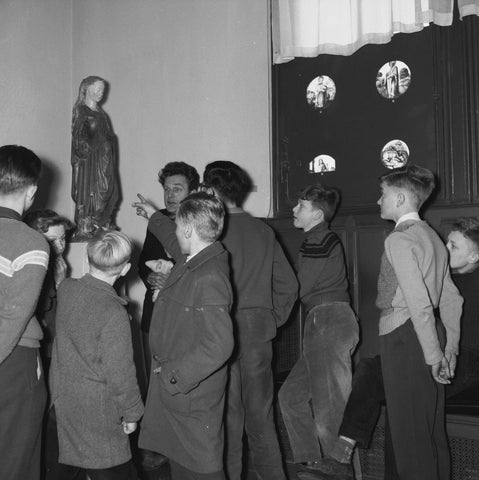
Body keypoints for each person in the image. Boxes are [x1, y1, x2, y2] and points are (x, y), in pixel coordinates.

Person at [133, 162, 298, 480]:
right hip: (258, 336)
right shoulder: (265, 231)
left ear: (210, 190)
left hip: (219, 337)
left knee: (228, 421)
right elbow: (289, 286)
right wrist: (268, 321)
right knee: (262, 419)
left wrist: (154, 213)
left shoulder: (214, 231)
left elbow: (177, 245)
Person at [305, 165, 463, 480]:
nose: (378, 202)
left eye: (383, 195)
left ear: (401, 198)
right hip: (431, 334)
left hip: (405, 337)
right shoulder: (433, 236)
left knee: (408, 436)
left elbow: (417, 301)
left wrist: (434, 356)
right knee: (429, 432)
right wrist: (450, 350)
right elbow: (451, 299)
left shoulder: (399, 240)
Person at [138, 193, 234, 480]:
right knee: (181, 466)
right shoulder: (194, 258)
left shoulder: (209, 276)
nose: (177, 233)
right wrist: (154, 214)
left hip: (190, 396)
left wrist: (173, 376)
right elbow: (171, 239)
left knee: (201, 470)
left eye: (180, 228)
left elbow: (219, 344)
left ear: (189, 230)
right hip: (179, 395)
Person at [278, 185, 359, 478]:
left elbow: (301, 285)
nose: (294, 210)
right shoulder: (317, 238)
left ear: (317, 213)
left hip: (328, 320)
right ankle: (313, 461)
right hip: (322, 321)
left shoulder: (320, 238)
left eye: (300, 205)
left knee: (330, 405)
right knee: (291, 397)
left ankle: (340, 468)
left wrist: (270, 309)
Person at [49, 230, 144, 480]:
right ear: (125, 270)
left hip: (64, 401)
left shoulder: (67, 290)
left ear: (88, 259)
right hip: (97, 411)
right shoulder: (113, 312)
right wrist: (132, 413)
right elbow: (121, 372)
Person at [0, 145, 50, 480]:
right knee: (16, 460)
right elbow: (14, 316)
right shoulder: (31, 241)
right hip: (13, 361)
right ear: (31, 190)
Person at [23, 209, 75, 480]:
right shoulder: (34, 273)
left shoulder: (57, 269)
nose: (60, 247)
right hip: (38, 360)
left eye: (63, 239)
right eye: (52, 241)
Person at [138, 162, 199, 379]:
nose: (170, 195)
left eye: (177, 189)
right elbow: (144, 259)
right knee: (152, 377)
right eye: (166, 189)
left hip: (182, 312)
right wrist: (149, 276)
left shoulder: (199, 222)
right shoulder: (157, 219)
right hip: (154, 309)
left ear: (191, 192)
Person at [71, 75, 119, 239]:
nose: (101, 93)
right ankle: (88, 225)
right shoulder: (82, 112)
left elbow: (108, 136)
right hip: (90, 165)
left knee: (108, 191)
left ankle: (103, 223)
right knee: (93, 195)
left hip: (105, 160)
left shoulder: (102, 114)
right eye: (97, 89)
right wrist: (93, 147)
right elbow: (79, 142)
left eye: (102, 90)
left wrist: (108, 142)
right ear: (87, 90)